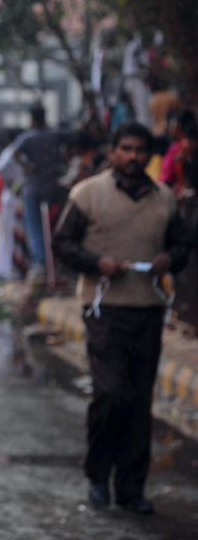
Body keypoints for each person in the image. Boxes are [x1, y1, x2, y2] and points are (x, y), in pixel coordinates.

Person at [52, 122, 191, 514]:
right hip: (103, 308)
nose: (133, 156)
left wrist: (169, 259)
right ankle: (98, 477)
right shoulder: (87, 193)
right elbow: (62, 243)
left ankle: (132, 488)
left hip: (147, 308)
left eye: (140, 150)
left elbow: (183, 244)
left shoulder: (164, 198)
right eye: (126, 149)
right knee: (110, 393)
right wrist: (98, 263)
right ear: (113, 152)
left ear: (149, 155)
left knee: (138, 399)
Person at [12, 105, 71, 277]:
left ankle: (41, 262)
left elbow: (13, 152)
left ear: (32, 119)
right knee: (56, 223)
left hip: (33, 187)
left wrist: (26, 166)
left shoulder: (28, 137)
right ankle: (57, 259)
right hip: (53, 185)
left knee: (34, 226)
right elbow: (72, 136)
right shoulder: (55, 134)